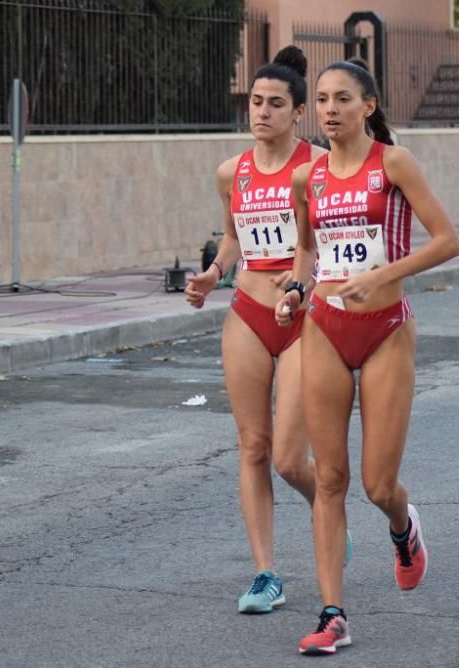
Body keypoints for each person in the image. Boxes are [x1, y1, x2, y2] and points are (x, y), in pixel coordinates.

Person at [275, 59, 459, 655]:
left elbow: (447, 240)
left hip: (385, 329)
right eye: (323, 99)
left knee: (379, 485)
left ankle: (403, 530)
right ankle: (333, 614)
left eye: (343, 99)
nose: (329, 109)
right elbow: (307, 248)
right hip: (324, 327)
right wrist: (296, 291)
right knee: (330, 478)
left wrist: (384, 274)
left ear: (369, 106)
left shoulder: (393, 164)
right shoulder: (311, 178)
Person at [184, 46, 349, 615]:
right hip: (249, 311)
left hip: (303, 316)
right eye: (256, 102)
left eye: (276, 104)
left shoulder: (317, 169)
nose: (262, 113)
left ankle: (325, 511)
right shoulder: (232, 172)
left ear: (298, 112)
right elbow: (234, 238)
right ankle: (265, 574)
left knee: (287, 458)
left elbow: (322, 241)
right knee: (251, 447)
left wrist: (306, 289)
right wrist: (212, 274)